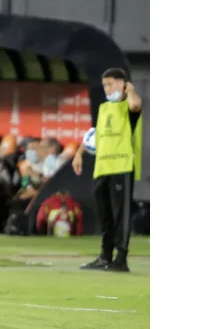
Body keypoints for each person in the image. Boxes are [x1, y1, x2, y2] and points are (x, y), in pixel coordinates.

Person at [73, 68, 142, 272]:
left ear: (123, 83)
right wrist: (79, 152)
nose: (107, 89)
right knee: (105, 216)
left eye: (111, 84)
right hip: (102, 168)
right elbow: (95, 134)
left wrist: (130, 91)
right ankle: (105, 256)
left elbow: (136, 104)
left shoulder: (129, 106)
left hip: (121, 166)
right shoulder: (104, 109)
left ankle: (121, 259)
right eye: (105, 85)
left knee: (120, 214)